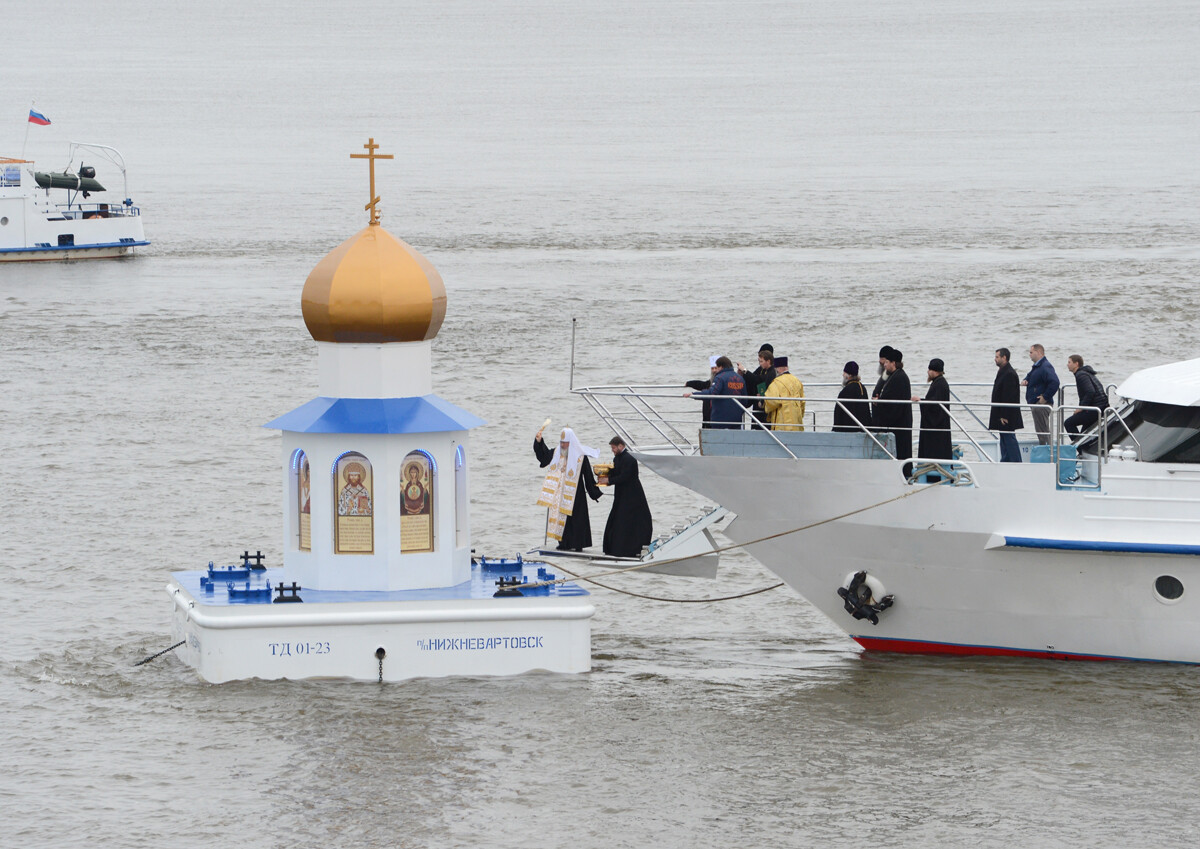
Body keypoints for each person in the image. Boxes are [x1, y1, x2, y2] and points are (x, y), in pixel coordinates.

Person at [535, 426, 603, 551]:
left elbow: (587, 475)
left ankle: (578, 544)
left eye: (565, 443)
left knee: (577, 519)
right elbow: (544, 458)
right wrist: (539, 442)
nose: (563, 445)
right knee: (562, 519)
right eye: (561, 443)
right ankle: (563, 543)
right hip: (560, 493)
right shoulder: (556, 452)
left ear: (571, 442)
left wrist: (595, 493)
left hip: (576, 493)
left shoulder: (581, 457)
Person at [599, 436, 653, 557]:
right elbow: (616, 472)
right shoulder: (617, 458)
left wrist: (609, 480)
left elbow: (625, 476)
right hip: (621, 494)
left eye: (613, 447)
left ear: (620, 446)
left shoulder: (629, 459)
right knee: (618, 520)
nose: (612, 450)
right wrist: (604, 474)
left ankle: (628, 548)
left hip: (632, 494)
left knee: (629, 521)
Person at [685, 356, 747, 429]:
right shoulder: (740, 378)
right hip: (736, 419)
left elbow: (712, 393)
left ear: (721, 367)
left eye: (717, 367)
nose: (716, 370)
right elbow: (745, 399)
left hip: (720, 418)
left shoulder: (720, 377)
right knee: (734, 439)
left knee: (718, 439)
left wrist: (694, 395)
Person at [874, 348, 912, 460]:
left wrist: (878, 402)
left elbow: (893, 401)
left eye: (887, 362)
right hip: (900, 421)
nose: (884, 365)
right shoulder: (896, 375)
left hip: (899, 423)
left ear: (893, 363)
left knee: (900, 451)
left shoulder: (899, 378)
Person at [912, 358, 953, 460]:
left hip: (937, 428)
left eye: (929, 370)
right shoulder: (939, 382)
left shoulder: (939, 384)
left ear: (934, 371)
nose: (927, 372)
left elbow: (934, 406)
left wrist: (921, 401)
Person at [1023, 344, 1061, 446]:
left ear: (1039, 352)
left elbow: (1055, 382)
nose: (1029, 355)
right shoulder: (1037, 366)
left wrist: (1045, 397)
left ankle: (1047, 453)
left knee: (1043, 431)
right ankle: (1045, 449)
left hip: (1041, 405)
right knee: (1041, 431)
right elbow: (1031, 374)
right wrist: (1026, 379)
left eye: (1031, 352)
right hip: (1036, 404)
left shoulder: (1045, 366)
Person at [990, 348, 1024, 462]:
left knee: (1009, 438)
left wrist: (1004, 415)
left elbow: (1009, 396)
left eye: (997, 357)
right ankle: (1006, 460)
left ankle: (1016, 462)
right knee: (1004, 438)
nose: (995, 359)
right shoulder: (1003, 371)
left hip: (1007, 414)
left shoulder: (1009, 373)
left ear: (1004, 357)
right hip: (1002, 412)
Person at [1065, 354, 1108, 438]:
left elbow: (1090, 391)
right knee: (1084, 433)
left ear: (1076, 364)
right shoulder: (1086, 373)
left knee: (1068, 423)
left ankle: (1078, 448)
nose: (1067, 364)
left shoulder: (1081, 375)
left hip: (1095, 409)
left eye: (1069, 362)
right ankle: (1082, 448)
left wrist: (1081, 408)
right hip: (1100, 407)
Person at [763, 356, 805, 430]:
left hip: (782, 421)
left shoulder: (776, 383)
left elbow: (771, 401)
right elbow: (802, 402)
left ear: (777, 369)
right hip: (796, 421)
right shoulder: (797, 381)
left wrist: (763, 403)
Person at [737, 347, 776, 428]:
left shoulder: (772, 372)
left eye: (761, 361)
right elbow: (753, 379)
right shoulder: (762, 369)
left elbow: (758, 379)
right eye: (759, 361)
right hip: (759, 403)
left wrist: (744, 370)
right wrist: (742, 374)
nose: (760, 364)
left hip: (766, 406)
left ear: (768, 361)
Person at [833, 361, 872, 433]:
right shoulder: (862, 387)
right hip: (862, 428)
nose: (843, 375)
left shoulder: (846, 390)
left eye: (844, 373)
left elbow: (839, 413)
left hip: (849, 430)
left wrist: (835, 430)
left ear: (849, 375)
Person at [685, 356, 721, 429]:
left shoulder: (721, 382)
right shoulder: (710, 383)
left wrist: (693, 394)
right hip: (707, 415)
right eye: (712, 368)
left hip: (716, 415)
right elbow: (702, 385)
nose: (714, 370)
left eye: (715, 368)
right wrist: (689, 383)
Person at [871, 345, 896, 422]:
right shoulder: (885, 374)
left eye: (882, 359)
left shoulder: (892, 376)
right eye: (879, 358)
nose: (880, 361)